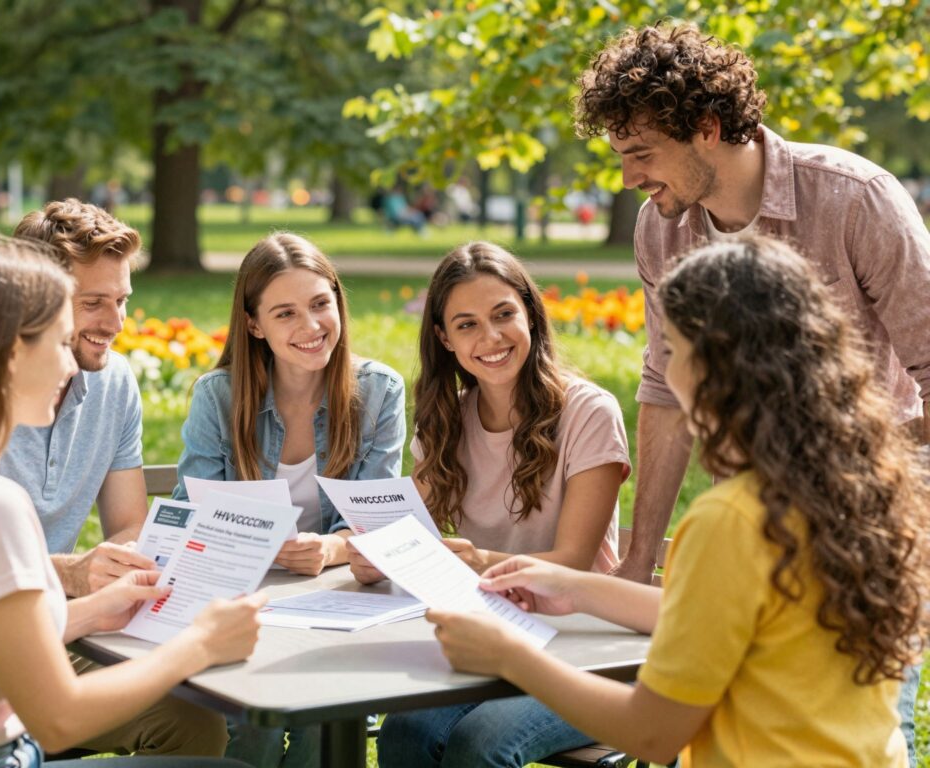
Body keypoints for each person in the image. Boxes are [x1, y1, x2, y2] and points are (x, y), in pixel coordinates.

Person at [426, 237, 930, 766]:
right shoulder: (862, 490)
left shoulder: (730, 518)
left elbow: (652, 734)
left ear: (716, 368)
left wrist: (509, 656)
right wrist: (571, 586)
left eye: (674, 350)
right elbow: (717, 613)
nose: (667, 372)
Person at [574, 25, 930, 757]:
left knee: (846, 727)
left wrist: (879, 504)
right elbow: (663, 390)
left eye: (641, 154)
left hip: (861, 524)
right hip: (749, 524)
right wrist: (640, 562)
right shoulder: (660, 229)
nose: (630, 177)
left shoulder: (854, 199)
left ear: (706, 129)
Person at [0, 236, 267, 768]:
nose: (71, 367)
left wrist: (96, 610)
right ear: (9, 357)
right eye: (57, 343)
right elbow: (59, 718)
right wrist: (202, 646)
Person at [350, 242, 630, 768]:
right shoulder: (447, 419)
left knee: (478, 745)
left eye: (504, 315)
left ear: (530, 314)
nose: (491, 338)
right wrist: (377, 556)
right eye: (467, 325)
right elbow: (411, 534)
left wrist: (481, 562)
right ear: (444, 338)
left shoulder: (589, 412)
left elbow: (572, 562)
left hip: (581, 647)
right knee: (403, 735)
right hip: (488, 636)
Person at [172, 231, 406, 767]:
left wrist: (329, 549)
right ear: (254, 325)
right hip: (243, 600)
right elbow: (187, 520)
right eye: (285, 314)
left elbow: (379, 522)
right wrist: (257, 546)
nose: (311, 326)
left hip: (335, 606)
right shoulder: (220, 397)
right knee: (248, 723)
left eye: (321, 304)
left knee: (321, 723)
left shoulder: (378, 393)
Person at [4, 198, 229, 757]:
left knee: (195, 723)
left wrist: (112, 571)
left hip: (55, 628)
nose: (116, 323)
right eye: (94, 303)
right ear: (36, 304)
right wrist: (73, 576)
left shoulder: (113, 382)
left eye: (123, 299)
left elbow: (129, 525)